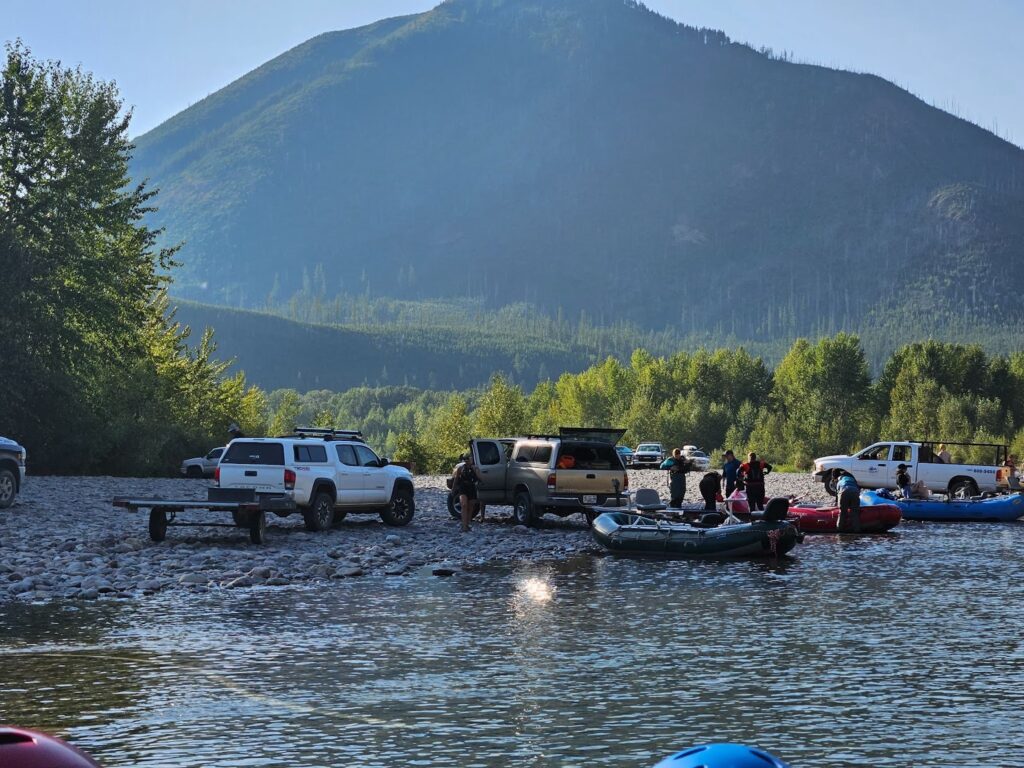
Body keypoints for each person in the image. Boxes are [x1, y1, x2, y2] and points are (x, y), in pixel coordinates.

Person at [451, 452, 481, 532]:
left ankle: (467, 524)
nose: (467, 461)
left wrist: (475, 470)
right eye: (465, 459)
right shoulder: (460, 468)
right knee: (464, 505)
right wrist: (453, 489)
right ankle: (464, 525)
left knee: (470, 507)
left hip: (472, 487)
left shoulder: (475, 468)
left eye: (468, 459)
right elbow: (456, 479)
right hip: (463, 487)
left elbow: (480, 478)